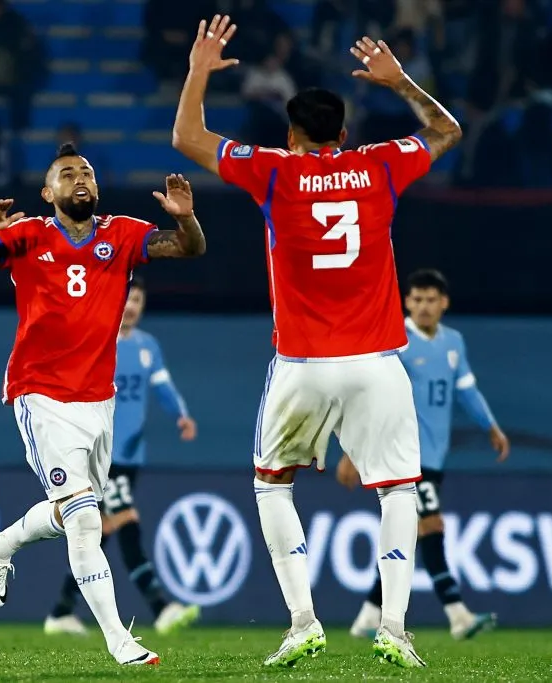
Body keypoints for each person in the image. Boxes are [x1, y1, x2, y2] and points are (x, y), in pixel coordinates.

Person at [171, 16, 463, 669]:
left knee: (273, 485)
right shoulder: (380, 164)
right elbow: (448, 131)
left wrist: (198, 70)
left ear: (292, 136)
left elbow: (186, 137)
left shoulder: (275, 171)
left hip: (303, 362)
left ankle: (303, 620)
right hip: (377, 362)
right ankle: (395, 628)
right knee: (398, 492)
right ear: (344, 133)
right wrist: (401, 82)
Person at [0, 142, 207, 666]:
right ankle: (120, 641)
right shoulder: (28, 236)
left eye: (86, 171)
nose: (80, 178)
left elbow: (189, 248)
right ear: (48, 192)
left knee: (71, 512)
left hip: (98, 399)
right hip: (40, 393)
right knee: (85, 520)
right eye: (67, 174)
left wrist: (186, 218)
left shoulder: (122, 233)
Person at [338, 269, 510, 640]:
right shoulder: (395, 340)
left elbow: (467, 391)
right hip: (402, 452)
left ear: (444, 303)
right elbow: (369, 395)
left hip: (433, 455)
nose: (424, 307)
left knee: (410, 532)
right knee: (430, 527)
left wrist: (491, 427)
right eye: (417, 299)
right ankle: (458, 615)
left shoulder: (453, 342)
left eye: (431, 300)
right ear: (406, 302)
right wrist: (353, 449)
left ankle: (368, 617)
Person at [44, 277, 201, 637]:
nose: (131, 306)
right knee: (126, 522)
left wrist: (180, 415)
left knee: (99, 531)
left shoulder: (148, 346)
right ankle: (160, 608)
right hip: (103, 454)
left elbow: (163, 387)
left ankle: (61, 611)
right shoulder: (96, 339)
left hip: (132, 456)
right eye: (127, 298)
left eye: (138, 300)